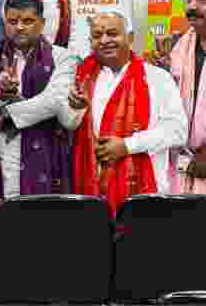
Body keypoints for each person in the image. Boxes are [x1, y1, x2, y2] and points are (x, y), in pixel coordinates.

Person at [0, 0, 79, 225]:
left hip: (46, 157)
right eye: (12, 21)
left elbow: (54, 100)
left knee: (44, 228)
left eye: (27, 21)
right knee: (5, 232)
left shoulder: (63, 58)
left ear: (42, 23)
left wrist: (4, 112)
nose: (19, 27)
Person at [66, 12, 187, 214]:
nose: (104, 40)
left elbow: (177, 131)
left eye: (112, 33)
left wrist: (127, 146)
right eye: (97, 35)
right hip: (90, 193)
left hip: (143, 196)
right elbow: (69, 128)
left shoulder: (156, 78)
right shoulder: (81, 78)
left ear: (130, 38)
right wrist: (75, 109)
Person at [156, 0, 206, 193]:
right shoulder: (179, 47)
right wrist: (163, 71)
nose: (192, 7)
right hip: (183, 161)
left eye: (202, 0)